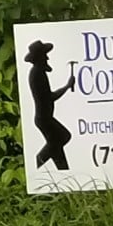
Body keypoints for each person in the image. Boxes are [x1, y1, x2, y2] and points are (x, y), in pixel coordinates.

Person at [25, 39, 76, 171]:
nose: (47, 58)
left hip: (45, 117)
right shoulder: (37, 74)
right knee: (63, 137)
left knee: (56, 145)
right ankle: (38, 161)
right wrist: (67, 86)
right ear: (39, 58)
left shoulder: (38, 73)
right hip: (44, 119)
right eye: (44, 55)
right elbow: (50, 97)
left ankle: (64, 171)